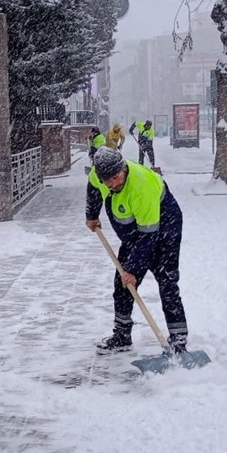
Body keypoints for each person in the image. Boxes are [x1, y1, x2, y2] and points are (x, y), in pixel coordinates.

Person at [85, 147, 189, 355]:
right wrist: (92, 215)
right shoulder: (100, 176)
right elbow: (93, 188)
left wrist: (132, 269)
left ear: (123, 168)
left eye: (116, 177)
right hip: (135, 233)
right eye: (108, 180)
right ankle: (122, 335)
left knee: (167, 282)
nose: (113, 183)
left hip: (164, 228)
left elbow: (150, 236)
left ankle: (178, 340)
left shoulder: (141, 186)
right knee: (122, 283)